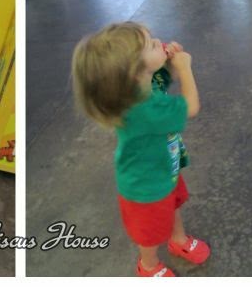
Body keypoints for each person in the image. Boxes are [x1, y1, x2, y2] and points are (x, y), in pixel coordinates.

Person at [71, 22, 208, 277]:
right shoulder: (144, 109)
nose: (158, 42)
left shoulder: (135, 89)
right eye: (151, 45)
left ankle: (178, 240)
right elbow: (191, 106)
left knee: (173, 205)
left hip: (164, 168)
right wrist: (184, 68)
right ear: (135, 74)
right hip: (146, 186)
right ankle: (148, 266)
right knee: (149, 233)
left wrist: (168, 64)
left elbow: (159, 81)